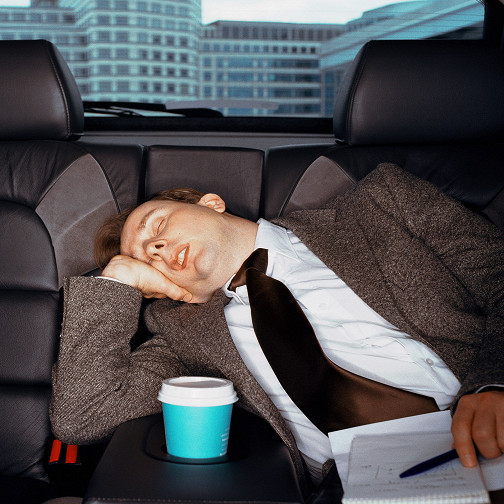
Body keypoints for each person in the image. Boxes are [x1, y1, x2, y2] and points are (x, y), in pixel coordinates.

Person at [50, 163, 504, 493]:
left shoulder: (382, 203)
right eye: (147, 259)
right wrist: (116, 281)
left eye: (159, 224)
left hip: (487, 420)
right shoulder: (182, 337)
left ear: (211, 203)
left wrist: (493, 384)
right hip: (363, 486)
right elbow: (81, 417)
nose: (156, 248)